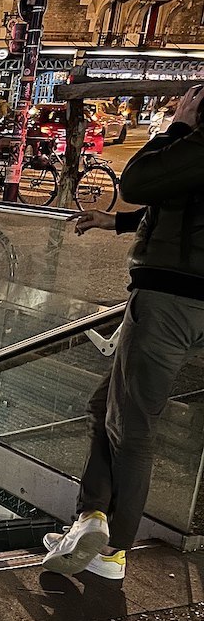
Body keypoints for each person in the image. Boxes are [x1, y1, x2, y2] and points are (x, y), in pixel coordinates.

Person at [45, 83, 204, 581]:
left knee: (132, 428)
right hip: (184, 297)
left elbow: (137, 179)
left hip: (172, 301)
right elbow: (183, 202)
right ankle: (89, 520)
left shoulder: (198, 139)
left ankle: (112, 550)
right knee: (103, 407)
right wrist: (115, 224)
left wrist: (178, 124)